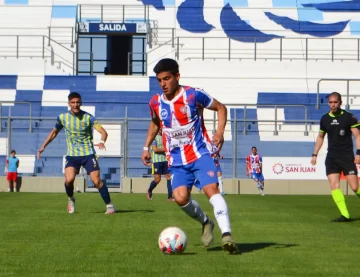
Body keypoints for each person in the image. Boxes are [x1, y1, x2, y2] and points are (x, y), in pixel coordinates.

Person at [141, 58, 237, 254]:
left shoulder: (193, 95)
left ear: (177, 76)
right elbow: (156, 123)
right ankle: (206, 222)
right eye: (159, 80)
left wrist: (219, 132)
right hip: (176, 161)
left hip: (200, 153)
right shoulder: (155, 102)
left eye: (167, 78)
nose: (163, 84)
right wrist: (146, 146)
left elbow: (221, 108)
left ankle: (226, 235)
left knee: (211, 189)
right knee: (180, 197)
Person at [37, 92, 115, 214]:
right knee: (69, 180)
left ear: (81, 103)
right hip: (72, 155)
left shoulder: (89, 117)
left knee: (96, 181)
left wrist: (102, 141)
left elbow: (104, 132)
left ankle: (109, 206)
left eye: (77, 102)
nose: (75, 105)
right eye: (73, 102)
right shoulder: (62, 117)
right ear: (69, 103)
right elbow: (54, 133)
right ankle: (71, 199)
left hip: (88, 154)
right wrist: (43, 146)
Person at [311, 92, 360, 222]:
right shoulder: (324, 119)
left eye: (335, 102)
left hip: (347, 156)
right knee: (334, 185)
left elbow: (358, 136)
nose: (333, 104)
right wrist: (314, 154)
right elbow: (321, 137)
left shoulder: (349, 117)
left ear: (340, 102)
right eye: (331, 102)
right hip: (332, 157)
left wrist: (359, 153)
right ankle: (345, 215)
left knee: (355, 187)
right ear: (328, 103)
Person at [147, 129, 174, 201]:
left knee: (169, 177)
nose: (161, 129)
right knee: (157, 180)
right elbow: (155, 149)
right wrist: (166, 149)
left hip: (165, 160)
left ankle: (170, 197)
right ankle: (149, 190)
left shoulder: (165, 136)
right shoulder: (154, 137)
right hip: (156, 161)